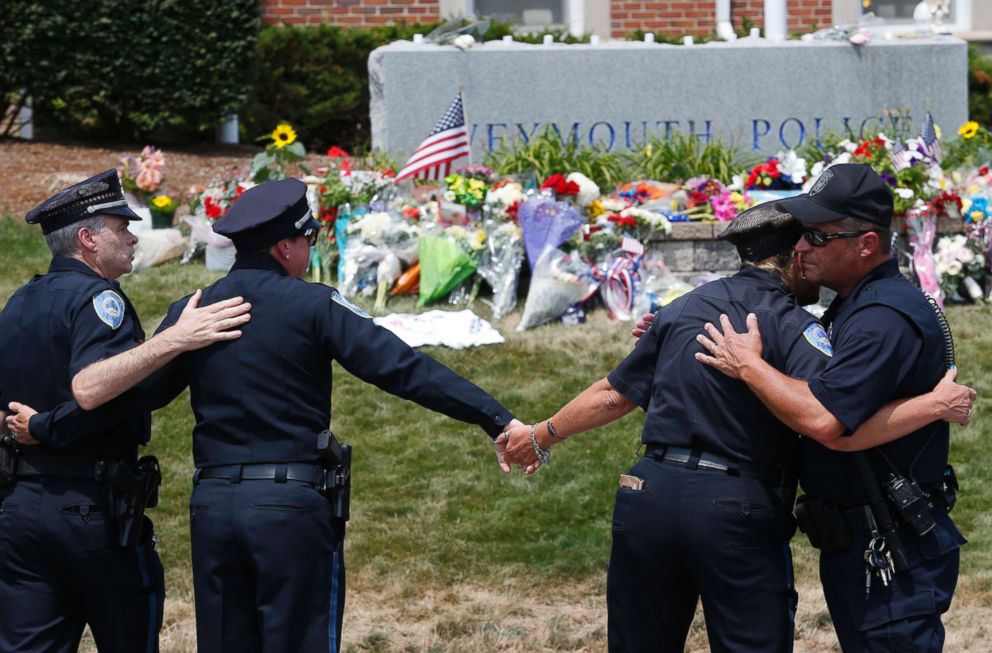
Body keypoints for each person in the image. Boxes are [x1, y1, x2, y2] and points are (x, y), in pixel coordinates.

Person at [39, 177, 523, 653]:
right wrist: (497, 419)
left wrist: (45, 426)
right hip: (290, 509)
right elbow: (405, 370)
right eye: (308, 239)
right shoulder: (312, 304)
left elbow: (131, 397)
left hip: (212, 511)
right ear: (286, 246)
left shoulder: (193, 312)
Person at [502, 202, 974, 653]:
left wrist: (541, 434)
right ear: (794, 258)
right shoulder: (793, 326)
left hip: (647, 495)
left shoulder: (684, 308)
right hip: (733, 510)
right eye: (808, 249)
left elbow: (612, 394)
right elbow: (833, 423)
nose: (813, 260)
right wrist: (930, 406)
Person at [695, 163, 972, 652]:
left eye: (818, 238)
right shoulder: (856, 304)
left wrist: (748, 366)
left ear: (865, 244)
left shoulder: (880, 319)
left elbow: (824, 419)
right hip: (865, 541)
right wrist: (679, 328)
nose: (800, 248)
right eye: (802, 233)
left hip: (890, 548)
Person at [0, 170, 251, 653]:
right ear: (89, 239)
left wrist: (34, 429)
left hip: (20, 510)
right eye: (121, 227)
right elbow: (93, 389)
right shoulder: (101, 299)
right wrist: (175, 339)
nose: (133, 237)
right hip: (87, 508)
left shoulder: (19, 301)